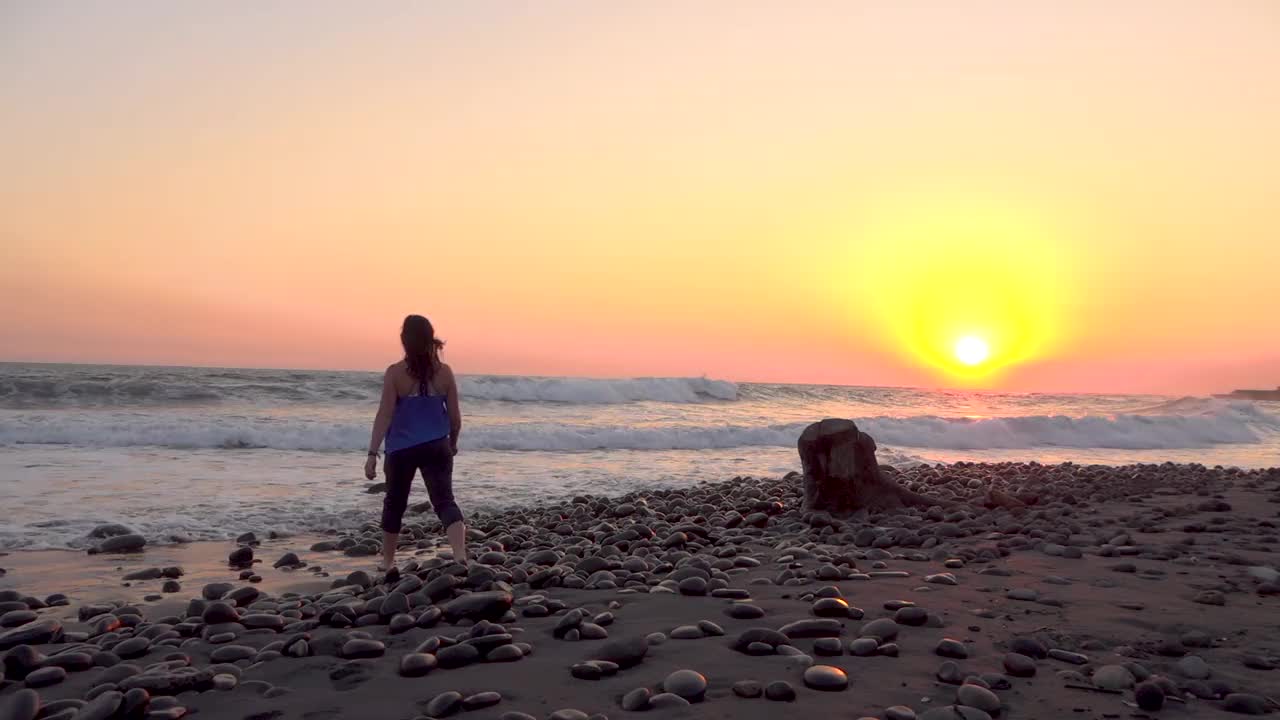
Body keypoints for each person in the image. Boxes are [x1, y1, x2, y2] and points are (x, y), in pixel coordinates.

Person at [364, 314, 466, 570]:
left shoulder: (395, 373)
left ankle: (388, 563)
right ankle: (460, 555)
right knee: (445, 501)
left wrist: (372, 453)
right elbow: (455, 417)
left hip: (401, 449)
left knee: (394, 503)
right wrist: (452, 443)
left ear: (404, 341)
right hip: (437, 446)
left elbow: (384, 414)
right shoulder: (445, 373)